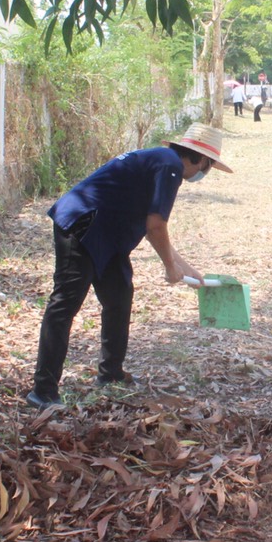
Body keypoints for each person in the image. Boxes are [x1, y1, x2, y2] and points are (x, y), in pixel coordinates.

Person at [30, 124, 229, 408]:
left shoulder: (162, 159)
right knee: (64, 305)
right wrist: (169, 267)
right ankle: (43, 391)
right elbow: (157, 225)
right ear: (200, 158)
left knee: (119, 297)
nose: (204, 173)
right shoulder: (170, 166)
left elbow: (152, 227)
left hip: (107, 234)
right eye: (208, 166)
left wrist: (185, 267)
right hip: (82, 225)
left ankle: (110, 374)